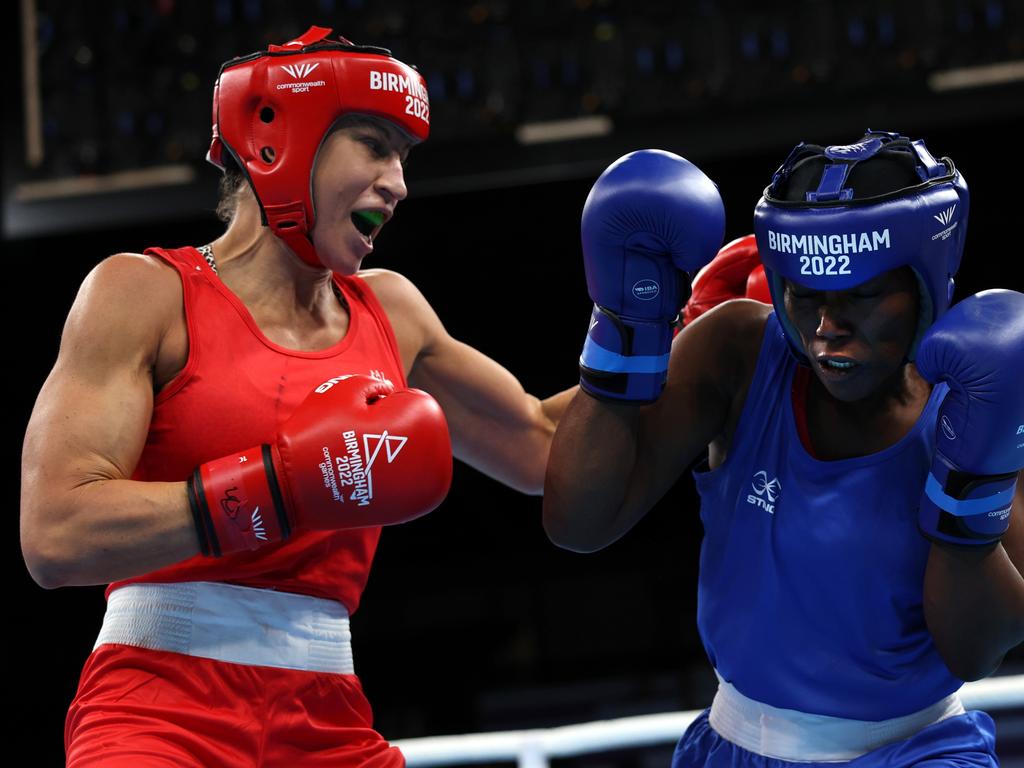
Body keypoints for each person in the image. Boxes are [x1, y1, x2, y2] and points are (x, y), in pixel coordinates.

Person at [20, 27, 573, 767]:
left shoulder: (392, 313)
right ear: (284, 143)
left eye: (404, 157)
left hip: (327, 716)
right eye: (375, 146)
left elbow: (541, 446)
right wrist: (277, 486)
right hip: (156, 710)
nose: (399, 183)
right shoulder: (143, 295)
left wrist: (658, 344)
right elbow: (55, 532)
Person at [544, 131, 1024, 766]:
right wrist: (624, 329)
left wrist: (967, 491)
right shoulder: (739, 355)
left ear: (926, 282)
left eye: (860, 295)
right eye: (806, 294)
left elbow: (974, 650)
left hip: (917, 753)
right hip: (733, 746)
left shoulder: (980, 398)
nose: (827, 328)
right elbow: (579, 522)